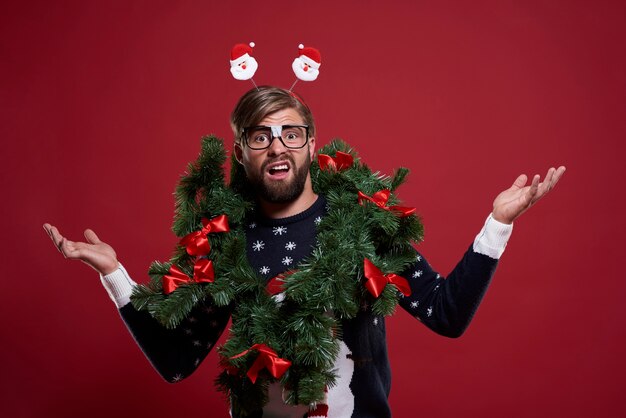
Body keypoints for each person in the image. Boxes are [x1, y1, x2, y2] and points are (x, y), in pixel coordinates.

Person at [44, 86, 565, 418]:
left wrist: (497, 223)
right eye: (261, 136)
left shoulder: (364, 223)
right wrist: (115, 275)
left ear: (312, 145)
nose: (277, 146)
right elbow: (177, 362)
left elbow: (446, 314)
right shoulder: (223, 243)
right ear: (243, 154)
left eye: (290, 133)